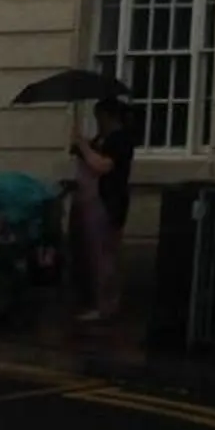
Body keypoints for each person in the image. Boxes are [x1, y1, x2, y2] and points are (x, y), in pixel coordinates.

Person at [68, 96, 137, 323]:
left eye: (99, 118)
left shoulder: (120, 139)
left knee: (104, 254)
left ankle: (105, 305)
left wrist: (85, 148)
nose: (97, 123)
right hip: (99, 200)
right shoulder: (106, 138)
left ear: (108, 117)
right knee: (99, 253)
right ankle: (105, 302)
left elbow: (103, 166)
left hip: (110, 202)